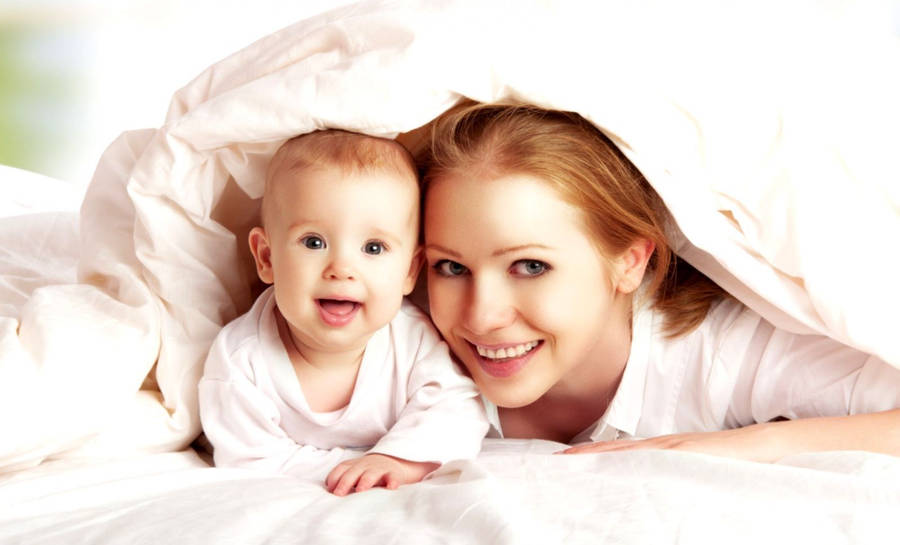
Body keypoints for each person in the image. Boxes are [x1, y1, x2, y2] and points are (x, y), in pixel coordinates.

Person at [420, 101, 900, 462]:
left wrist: (746, 444)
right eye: (452, 267)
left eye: (530, 266)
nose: (481, 315)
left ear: (629, 262)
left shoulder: (716, 352)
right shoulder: (397, 336)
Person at [199, 130, 488, 496]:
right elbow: (251, 460)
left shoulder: (412, 341)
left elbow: (458, 410)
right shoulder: (240, 360)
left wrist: (396, 461)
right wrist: (347, 470)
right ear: (267, 258)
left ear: (410, 271)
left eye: (373, 247)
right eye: (314, 242)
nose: (341, 268)